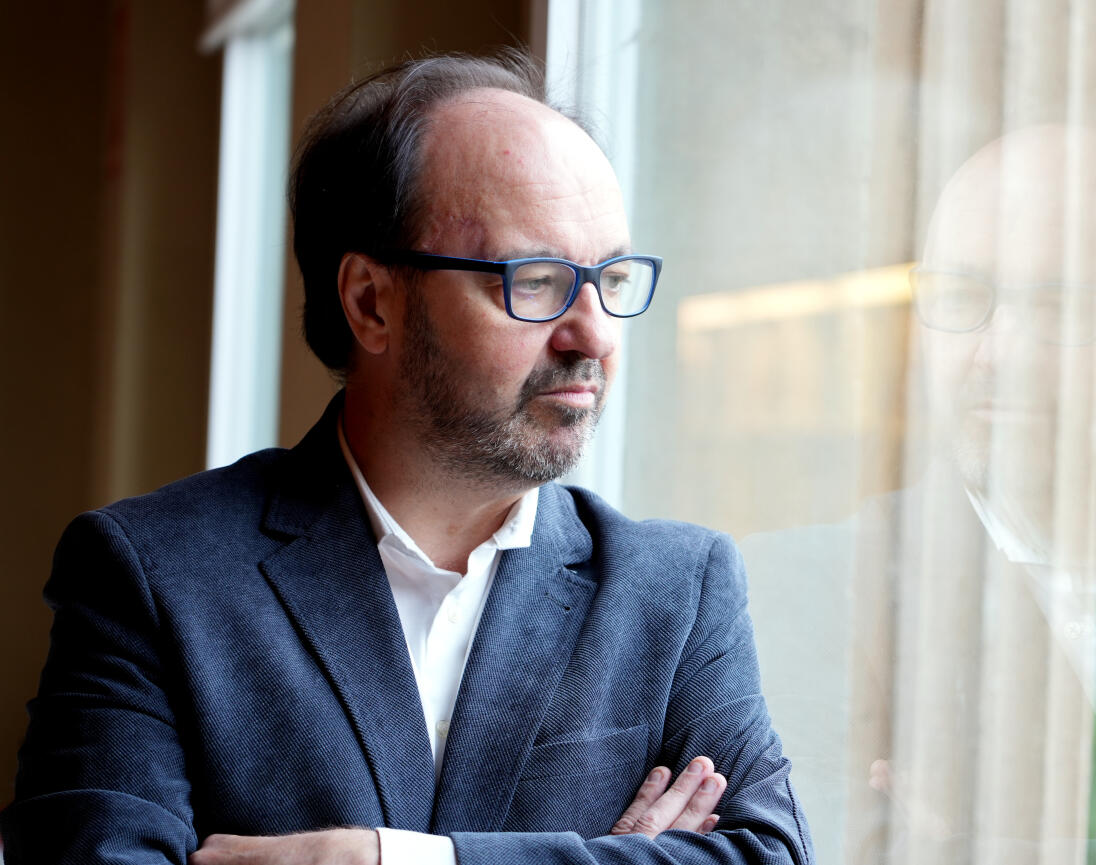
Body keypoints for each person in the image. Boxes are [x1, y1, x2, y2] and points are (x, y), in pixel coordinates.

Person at [0, 52, 813, 865]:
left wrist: (389, 860)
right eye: (535, 282)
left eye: (611, 277)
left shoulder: (678, 587)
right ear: (370, 302)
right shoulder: (150, 574)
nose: (593, 334)